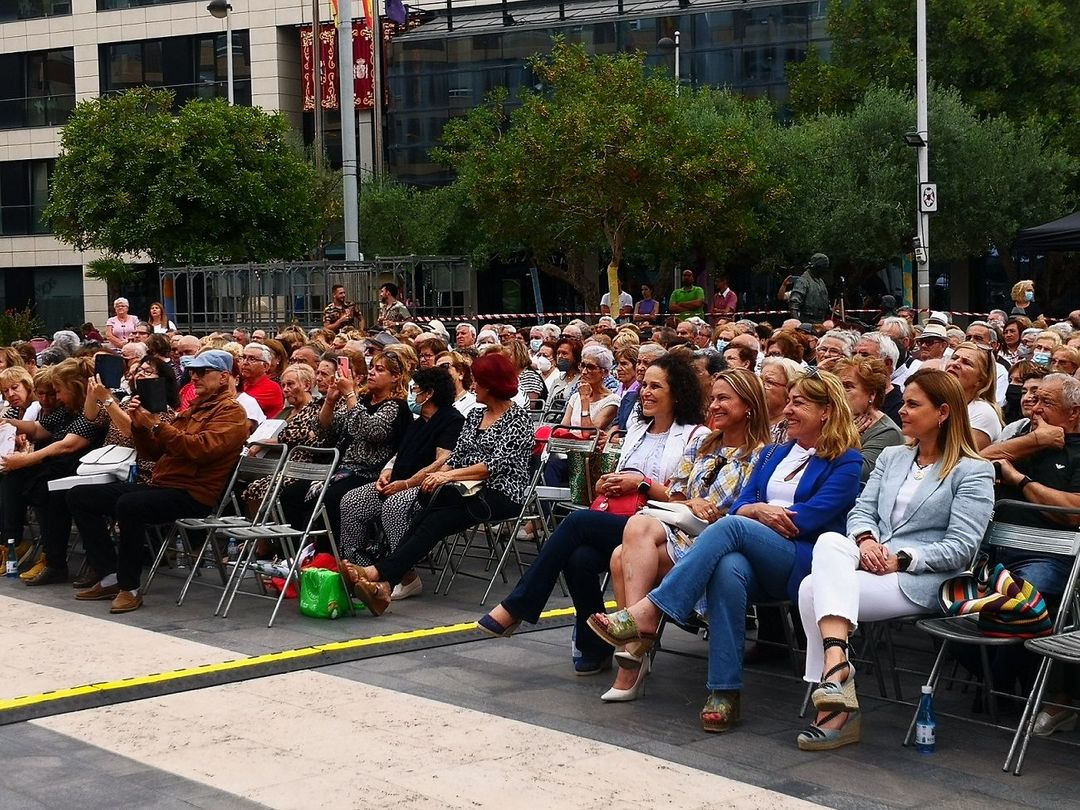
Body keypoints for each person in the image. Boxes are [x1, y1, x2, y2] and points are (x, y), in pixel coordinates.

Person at [586, 369, 862, 732]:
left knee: (730, 528)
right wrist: (755, 510)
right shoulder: (774, 454)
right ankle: (724, 691)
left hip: (802, 561)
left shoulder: (846, 460)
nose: (789, 410)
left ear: (826, 411)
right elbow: (742, 503)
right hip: (752, 553)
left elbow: (807, 520)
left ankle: (649, 611)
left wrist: (751, 513)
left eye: (799, 403)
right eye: (790, 401)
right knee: (727, 566)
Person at [795, 369, 994, 750]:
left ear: (943, 412)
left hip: (922, 578)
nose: (901, 410)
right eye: (903, 402)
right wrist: (867, 541)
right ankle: (837, 673)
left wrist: (902, 559)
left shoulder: (973, 470)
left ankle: (836, 695)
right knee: (830, 542)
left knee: (809, 589)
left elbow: (962, 547)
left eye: (913, 404)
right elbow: (860, 511)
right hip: (870, 560)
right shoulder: (893, 456)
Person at [477, 354, 707, 671]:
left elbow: (690, 497)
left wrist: (641, 484)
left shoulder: (695, 435)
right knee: (578, 558)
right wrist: (607, 482)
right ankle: (593, 644)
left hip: (662, 529)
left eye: (656, 386)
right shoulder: (637, 429)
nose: (646, 392)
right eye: (645, 385)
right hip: (625, 518)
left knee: (576, 522)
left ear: (677, 392)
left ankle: (519, 606)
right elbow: (624, 477)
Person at [599, 369, 769, 699]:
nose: (715, 405)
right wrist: (693, 501)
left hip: (719, 542)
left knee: (621, 556)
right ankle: (638, 637)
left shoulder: (763, 454)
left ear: (749, 405)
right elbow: (675, 494)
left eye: (724, 399)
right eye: (713, 398)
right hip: (681, 529)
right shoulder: (703, 443)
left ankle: (633, 655)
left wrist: (712, 509)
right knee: (629, 539)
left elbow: (749, 508)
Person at [345, 352, 534, 615]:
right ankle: (386, 583)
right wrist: (435, 475)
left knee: (433, 518)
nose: (472, 387)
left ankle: (379, 572)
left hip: (499, 493)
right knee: (426, 508)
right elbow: (456, 456)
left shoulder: (519, 420)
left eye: (477, 382)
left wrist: (446, 476)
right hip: (464, 490)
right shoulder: (476, 415)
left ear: (491, 385)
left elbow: (492, 467)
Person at [66, 350, 250, 613]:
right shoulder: (194, 409)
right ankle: (109, 576)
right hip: (165, 486)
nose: (194, 377)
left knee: (131, 504)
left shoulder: (231, 413)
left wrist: (156, 425)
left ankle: (128, 587)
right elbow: (153, 452)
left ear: (223, 378)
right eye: (192, 372)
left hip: (193, 493)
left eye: (201, 372)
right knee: (79, 495)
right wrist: (141, 426)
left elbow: (201, 450)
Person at [988, 373, 1080, 735]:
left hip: (1050, 559)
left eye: (1046, 403)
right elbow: (969, 461)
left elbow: (1072, 510)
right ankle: (1000, 685)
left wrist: (1019, 481)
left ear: (1074, 413)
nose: (1033, 407)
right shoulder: (1025, 438)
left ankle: (1016, 686)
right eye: (1033, 398)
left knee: (1015, 599)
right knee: (943, 594)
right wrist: (1033, 439)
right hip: (993, 554)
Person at [337, 366, 465, 599]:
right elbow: (398, 455)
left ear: (429, 393)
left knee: (395, 506)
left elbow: (443, 461)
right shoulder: (418, 422)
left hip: (424, 487)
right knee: (351, 501)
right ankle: (359, 567)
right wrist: (386, 472)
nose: (411, 394)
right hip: (397, 481)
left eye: (415, 389)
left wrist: (407, 483)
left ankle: (405, 576)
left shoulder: (451, 420)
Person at [280, 348, 412, 540]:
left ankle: (329, 555)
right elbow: (324, 429)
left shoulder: (396, 406)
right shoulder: (364, 400)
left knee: (331, 498)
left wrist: (350, 394)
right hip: (342, 469)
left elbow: (369, 431)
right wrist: (331, 401)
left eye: (380, 369)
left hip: (369, 473)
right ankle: (294, 550)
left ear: (396, 377)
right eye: (372, 367)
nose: (372, 372)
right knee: (291, 493)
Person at [1, 359, 108, 586]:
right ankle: (12, 541)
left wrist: (26, 459)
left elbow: (69, 445)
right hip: (60, 465)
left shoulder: (92, 410)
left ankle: (54, 560)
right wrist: (8, 421)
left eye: (59, 391)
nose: (56, 397)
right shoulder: (67, 410)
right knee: (14, 476)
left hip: (81, 468)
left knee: (47, 489)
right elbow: (40, 430)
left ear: (76, 389)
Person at [833, 356, 903, 482]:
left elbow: (856, 474)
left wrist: (846, 439)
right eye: (837, 386)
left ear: (872, 394)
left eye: (847, 386)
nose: (839, 393)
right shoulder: (834, 420)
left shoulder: (886, 432)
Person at [945, 341, 1002, 450]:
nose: (955, 364)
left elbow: (959, 456)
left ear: (980, 380)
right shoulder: (934, 401)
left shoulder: (983, 413)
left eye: (967, 363)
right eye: (954, 358)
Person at [761, 356, 802, 444]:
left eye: (769, 382)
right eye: (760, 380)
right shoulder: (748, 419)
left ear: (790, 390)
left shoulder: (794, 431)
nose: (761, 386)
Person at [238, 342, 284, 419]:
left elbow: (238, 407)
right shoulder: (243, 383)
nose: (245, 362)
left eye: (252, 359)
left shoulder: (271, 388)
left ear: (265, 366)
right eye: (243, 357)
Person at [789, 254, 831, 323]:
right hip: (807, 322)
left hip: (821, 322)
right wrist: (797, 323)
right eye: (823, 268)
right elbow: (794, 304)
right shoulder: (803, 281)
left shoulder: (821, 282)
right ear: (818, 267)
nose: (825, 271)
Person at [435, 351, 478, 415]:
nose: (439, 372)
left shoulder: (475, 404)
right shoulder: (434, 405)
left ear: (461, 373)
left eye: (445, 366)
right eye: (436, 369)